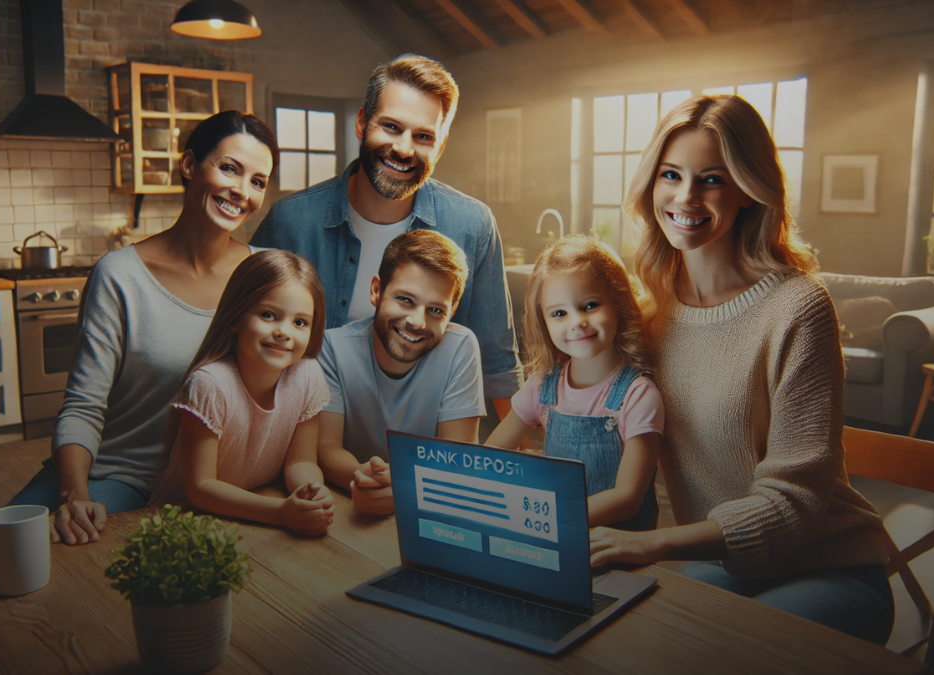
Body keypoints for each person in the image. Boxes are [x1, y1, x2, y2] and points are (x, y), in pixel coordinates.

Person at [588, 94, 894, 644]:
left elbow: (795, 503)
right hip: (724, 561)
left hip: (830, 564)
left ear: (749, 191)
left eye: (712, 178)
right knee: (633, 642)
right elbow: (586, 424)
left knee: (722, 651)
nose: (686, 196)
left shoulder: (798, 308)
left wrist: (651, 544)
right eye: (670, 175)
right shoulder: (648, 317)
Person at [8, 111, 281, 546]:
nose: (241, 191)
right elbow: (82, 404)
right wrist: (75, 493)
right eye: (229, 168)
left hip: (205, 482)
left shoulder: (265, 276)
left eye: (258, 181)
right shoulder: (119, 275)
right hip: (117, 471)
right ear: (190, 165)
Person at [250, 54, 521, 421]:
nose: (405, 149)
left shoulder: (473, 225)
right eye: (391, 127)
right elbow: (247, 341)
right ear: (362, 123)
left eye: (424, 136)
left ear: (439, 146)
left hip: (428, 451)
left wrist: (518, 455)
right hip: (306, 444)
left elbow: (497, 363)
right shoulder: (290, 221)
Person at [147, 251, 333, 534]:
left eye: (300, 322)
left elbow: (302, 461)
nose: (285, 331)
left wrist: (311, 491)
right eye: (268, 315)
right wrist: (281, 512)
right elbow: (201, 488)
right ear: (235, 318)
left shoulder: (307, 375)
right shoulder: (209, 384)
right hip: (180, 523)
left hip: (249, 514)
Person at [486, 236, 662, 530]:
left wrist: (549, 517)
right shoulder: (541, 385)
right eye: (559, 313)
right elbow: (491, 458)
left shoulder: (638, 395)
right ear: (544, 322)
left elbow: (628, 498)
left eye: (590, 305)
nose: (576, 321)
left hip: (620, 548)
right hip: (553, 538)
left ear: (618, 303)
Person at [317, 229, 485, 516]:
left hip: (433, 507)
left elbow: (458, 458)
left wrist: (407, 488)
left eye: (435, 310)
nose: (417, 321)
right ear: (376, 290)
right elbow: (325, 447)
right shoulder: (331, 347)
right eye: (405, 299)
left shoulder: (461, 347)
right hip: (351, 502)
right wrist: (363, 478)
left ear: (452, 310)